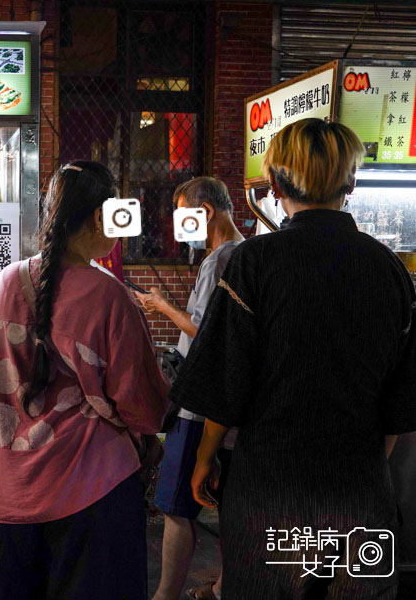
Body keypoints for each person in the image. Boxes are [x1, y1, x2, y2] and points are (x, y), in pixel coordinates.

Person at [173, 118, 416, 599]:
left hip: (270, 488)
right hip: (359, 494)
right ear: (352, 183)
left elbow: (225, 382)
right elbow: (400, 401)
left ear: (276, 185)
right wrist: (364, 470)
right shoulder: (390, 270)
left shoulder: (253, 263)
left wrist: (204, 458)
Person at [0, 160, 170, 599]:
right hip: (91, 494)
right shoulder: (108, 295)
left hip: (7, 493)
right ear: (100, 216)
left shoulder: (5, 283)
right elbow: (143, 405)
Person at [137, 177, 244, 600]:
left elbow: (201, 332)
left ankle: (165, 594)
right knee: (229, 510)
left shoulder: (219, 260)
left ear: (206, 211)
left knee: (176, 507)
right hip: (229, 408)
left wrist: (160, 304)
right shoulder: (247, 252)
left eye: (185, 215)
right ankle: (221, 588)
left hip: (199, 409)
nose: (183, 225)